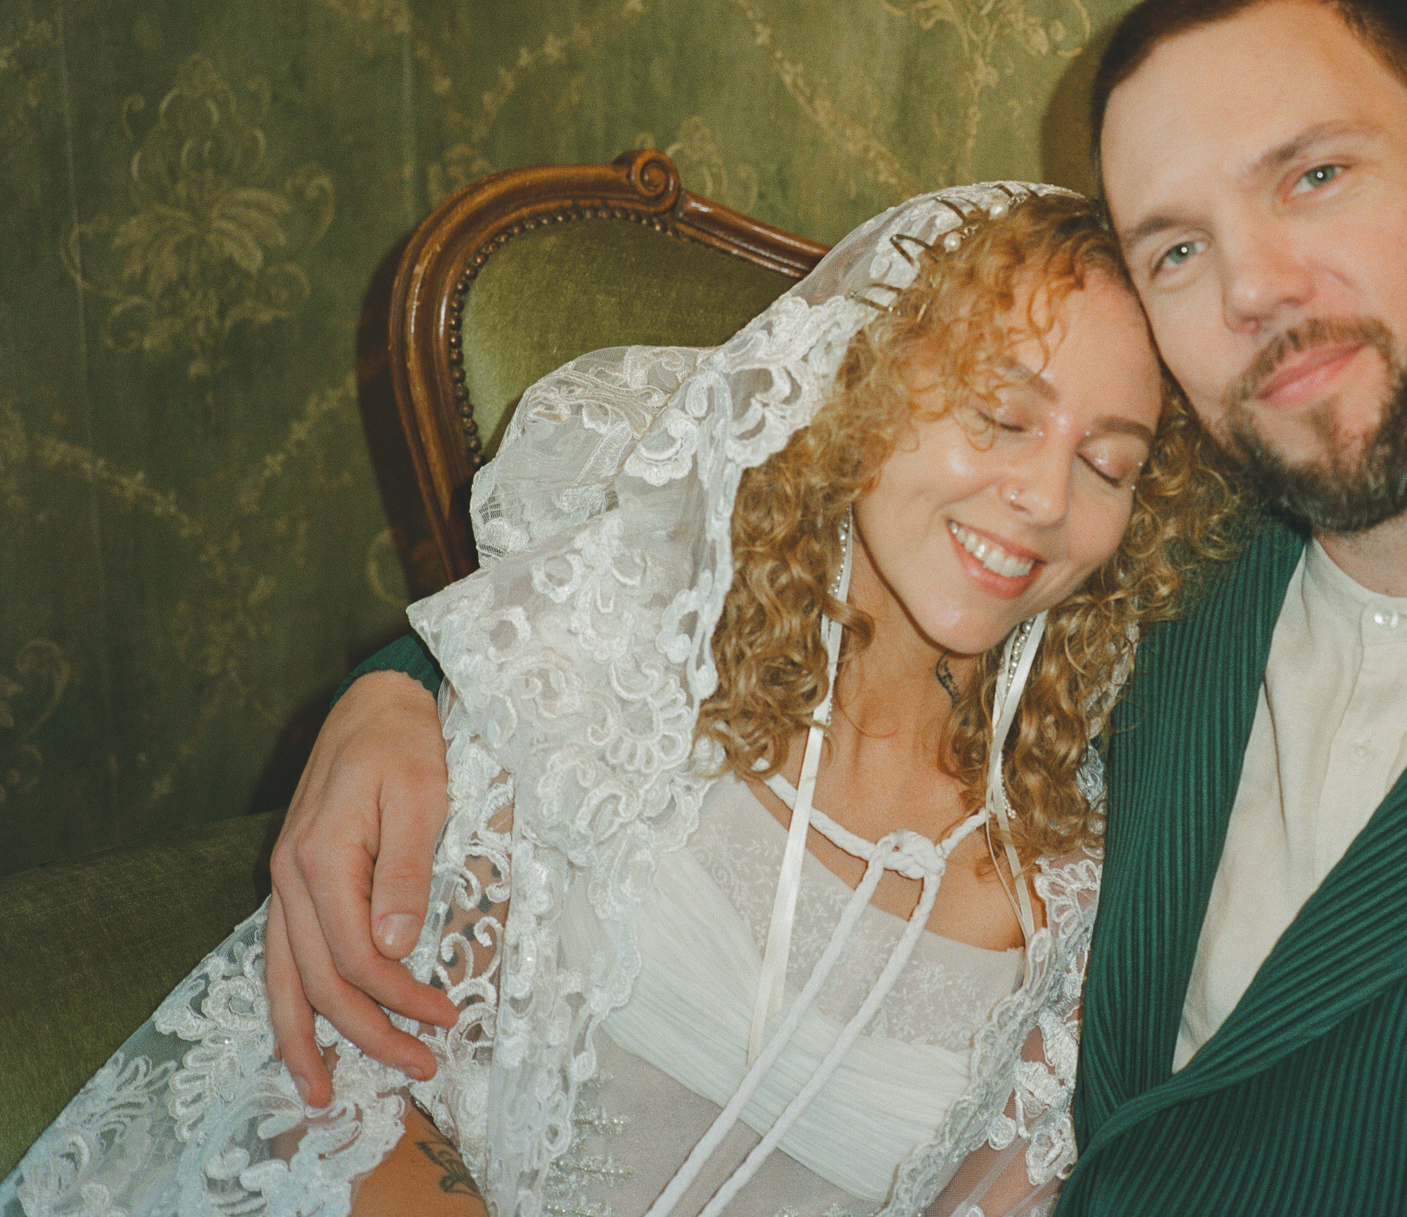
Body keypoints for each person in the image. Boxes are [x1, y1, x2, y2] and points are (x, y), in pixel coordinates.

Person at [208, 0, 1407, 1215]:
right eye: (1178, 244)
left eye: (1315, 174)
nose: (1260, 288)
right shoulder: (1156, 572)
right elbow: (712, 501)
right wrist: (404, 687)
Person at [0, 184, 1242, 1217]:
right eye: (998, 413)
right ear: (860, 386)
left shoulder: (1070, 877)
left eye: (1105, 462)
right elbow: (336, 1068)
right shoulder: (616, 664)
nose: (1041, 494)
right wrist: (386, 690)